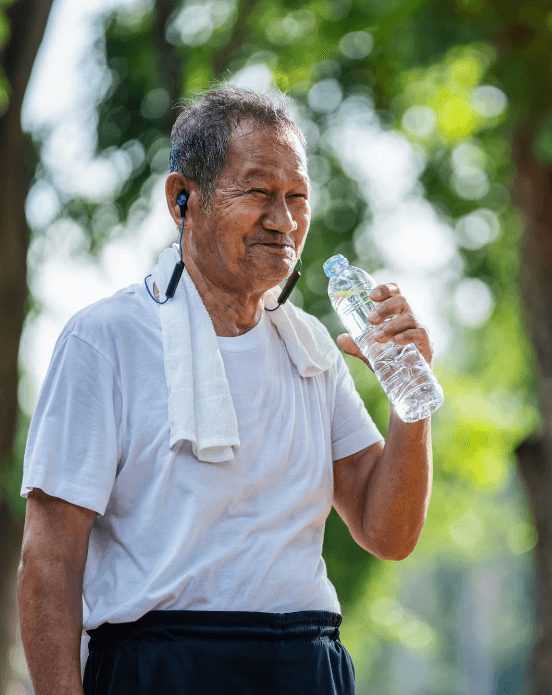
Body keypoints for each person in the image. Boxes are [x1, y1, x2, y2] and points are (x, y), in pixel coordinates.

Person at [17, 87, 434, 695]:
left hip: (306, 665)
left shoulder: (312, 347)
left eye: (297, 198)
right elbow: (50, 559)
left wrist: (410, 400)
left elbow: (388, 533)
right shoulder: (106, 339)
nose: (284, 220)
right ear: (182, 198)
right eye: (260, 192)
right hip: (160, 668)